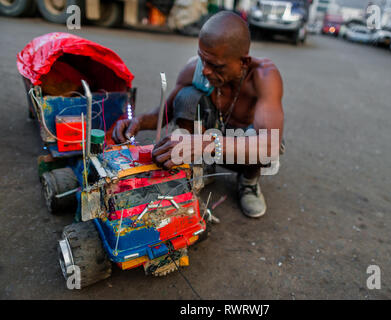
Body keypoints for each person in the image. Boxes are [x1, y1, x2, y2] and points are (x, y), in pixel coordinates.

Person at [113, 11, 284, 218]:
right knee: (186, 97)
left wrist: (205, 144)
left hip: (239, 153)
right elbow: (166, 111)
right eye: (203, 59)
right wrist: (136, 121)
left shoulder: (264, 75)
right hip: (207, 147)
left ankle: (248, 182)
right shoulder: (196, 68)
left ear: (244, 63)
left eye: (216, 66)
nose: (205, 71)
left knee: (267, 139)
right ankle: (199, 168)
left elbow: (271, 145)